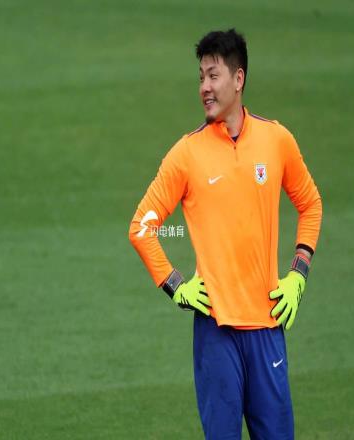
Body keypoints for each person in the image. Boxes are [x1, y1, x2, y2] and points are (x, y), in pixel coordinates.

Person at [129, 28, 322, 440]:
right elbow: (142, 228)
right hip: (215, 332)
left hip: (268, 326)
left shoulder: (276, 140)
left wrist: (298, 274)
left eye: (213, 76)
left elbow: (310, 204)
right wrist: (174, 284)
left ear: (238, 79)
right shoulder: (186, 154)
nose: (204, 87)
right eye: (200, 77)